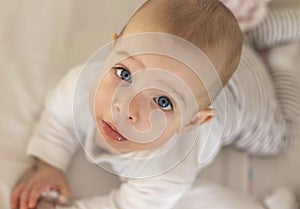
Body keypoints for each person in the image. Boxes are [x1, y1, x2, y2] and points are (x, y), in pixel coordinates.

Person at [10, 0, 300, 209]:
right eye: (125, 73)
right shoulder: (82, 84)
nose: (127, 109)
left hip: (249, 100)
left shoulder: (168, 168)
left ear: (192, 122)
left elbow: (128, 206)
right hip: (229, 55)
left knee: (281, 137)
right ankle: (252, 35)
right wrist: (49, 164)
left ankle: (281, 63)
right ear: (112, 49)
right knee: (242, 37)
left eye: (163, 101)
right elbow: (58, 119)